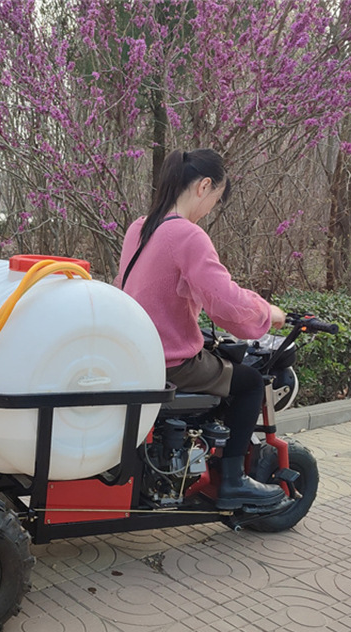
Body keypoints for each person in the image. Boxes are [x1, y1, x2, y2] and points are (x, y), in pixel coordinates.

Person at [116, 148, 286, 509]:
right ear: (204, 186)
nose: (211, 208)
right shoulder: (188, 235)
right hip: (169, 360)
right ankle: (234, 482)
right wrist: (267, 312)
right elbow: (225, 303)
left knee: (221, 364)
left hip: (134, 352)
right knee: (250, 382)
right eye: (216, 198)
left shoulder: (140, 227)